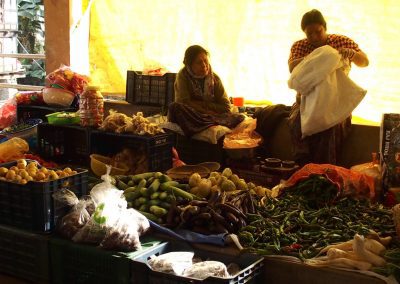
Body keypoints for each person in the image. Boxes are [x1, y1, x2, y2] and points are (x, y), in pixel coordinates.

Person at [288, 9, 369, 165]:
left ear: (325, 27)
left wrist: (351, 54)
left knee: (330, 127)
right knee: (296, 122)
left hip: (335, 101)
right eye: (309, 34)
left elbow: (364, 62)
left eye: (318, 32)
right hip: (304, 101)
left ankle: (325, 171)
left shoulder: (341, 41)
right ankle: (302, 168)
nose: (314, 37)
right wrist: (318, 57)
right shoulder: (299, 46)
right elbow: (292, 68)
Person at [169, 45, 243, 136]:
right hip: (194, 115)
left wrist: (203, 105)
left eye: (205, 61)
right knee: (175, 107)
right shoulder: (183, 76)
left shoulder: (214, 79)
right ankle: (206, 122)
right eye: (199, 62)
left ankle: (205, 122)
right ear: (190, 64)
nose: (204, 65)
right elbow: (184, 102)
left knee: (240, 117)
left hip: (211, 116)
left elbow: (226, 107)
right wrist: (205, 111)